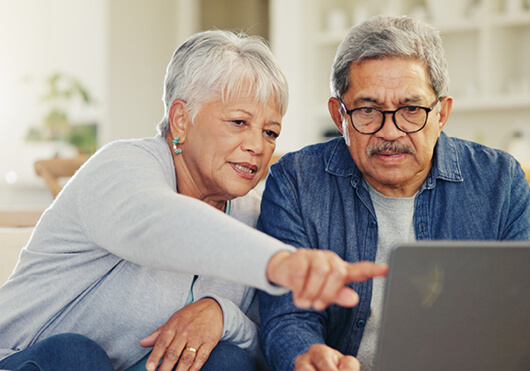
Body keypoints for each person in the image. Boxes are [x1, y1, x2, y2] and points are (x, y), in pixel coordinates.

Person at [0, 30, 387, 371]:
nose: (257, 146)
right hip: (28, 358)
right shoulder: (120, 167)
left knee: (228, 359)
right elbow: (158, 225)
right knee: (75, 354)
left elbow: (265, 337)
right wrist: (280, 262)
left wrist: (222, 314)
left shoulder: (252, 215)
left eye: (270, 132)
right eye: (238, 122)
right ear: (181, 119)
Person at [257, 15, 530, 371]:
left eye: (410, 110)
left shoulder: (500, 181)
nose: (390, 132)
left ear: (442, 113)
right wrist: (306, 355)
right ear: (339, 116)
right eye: (368, 110)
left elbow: (522, 314)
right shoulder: (295, 181)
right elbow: (287, 316)